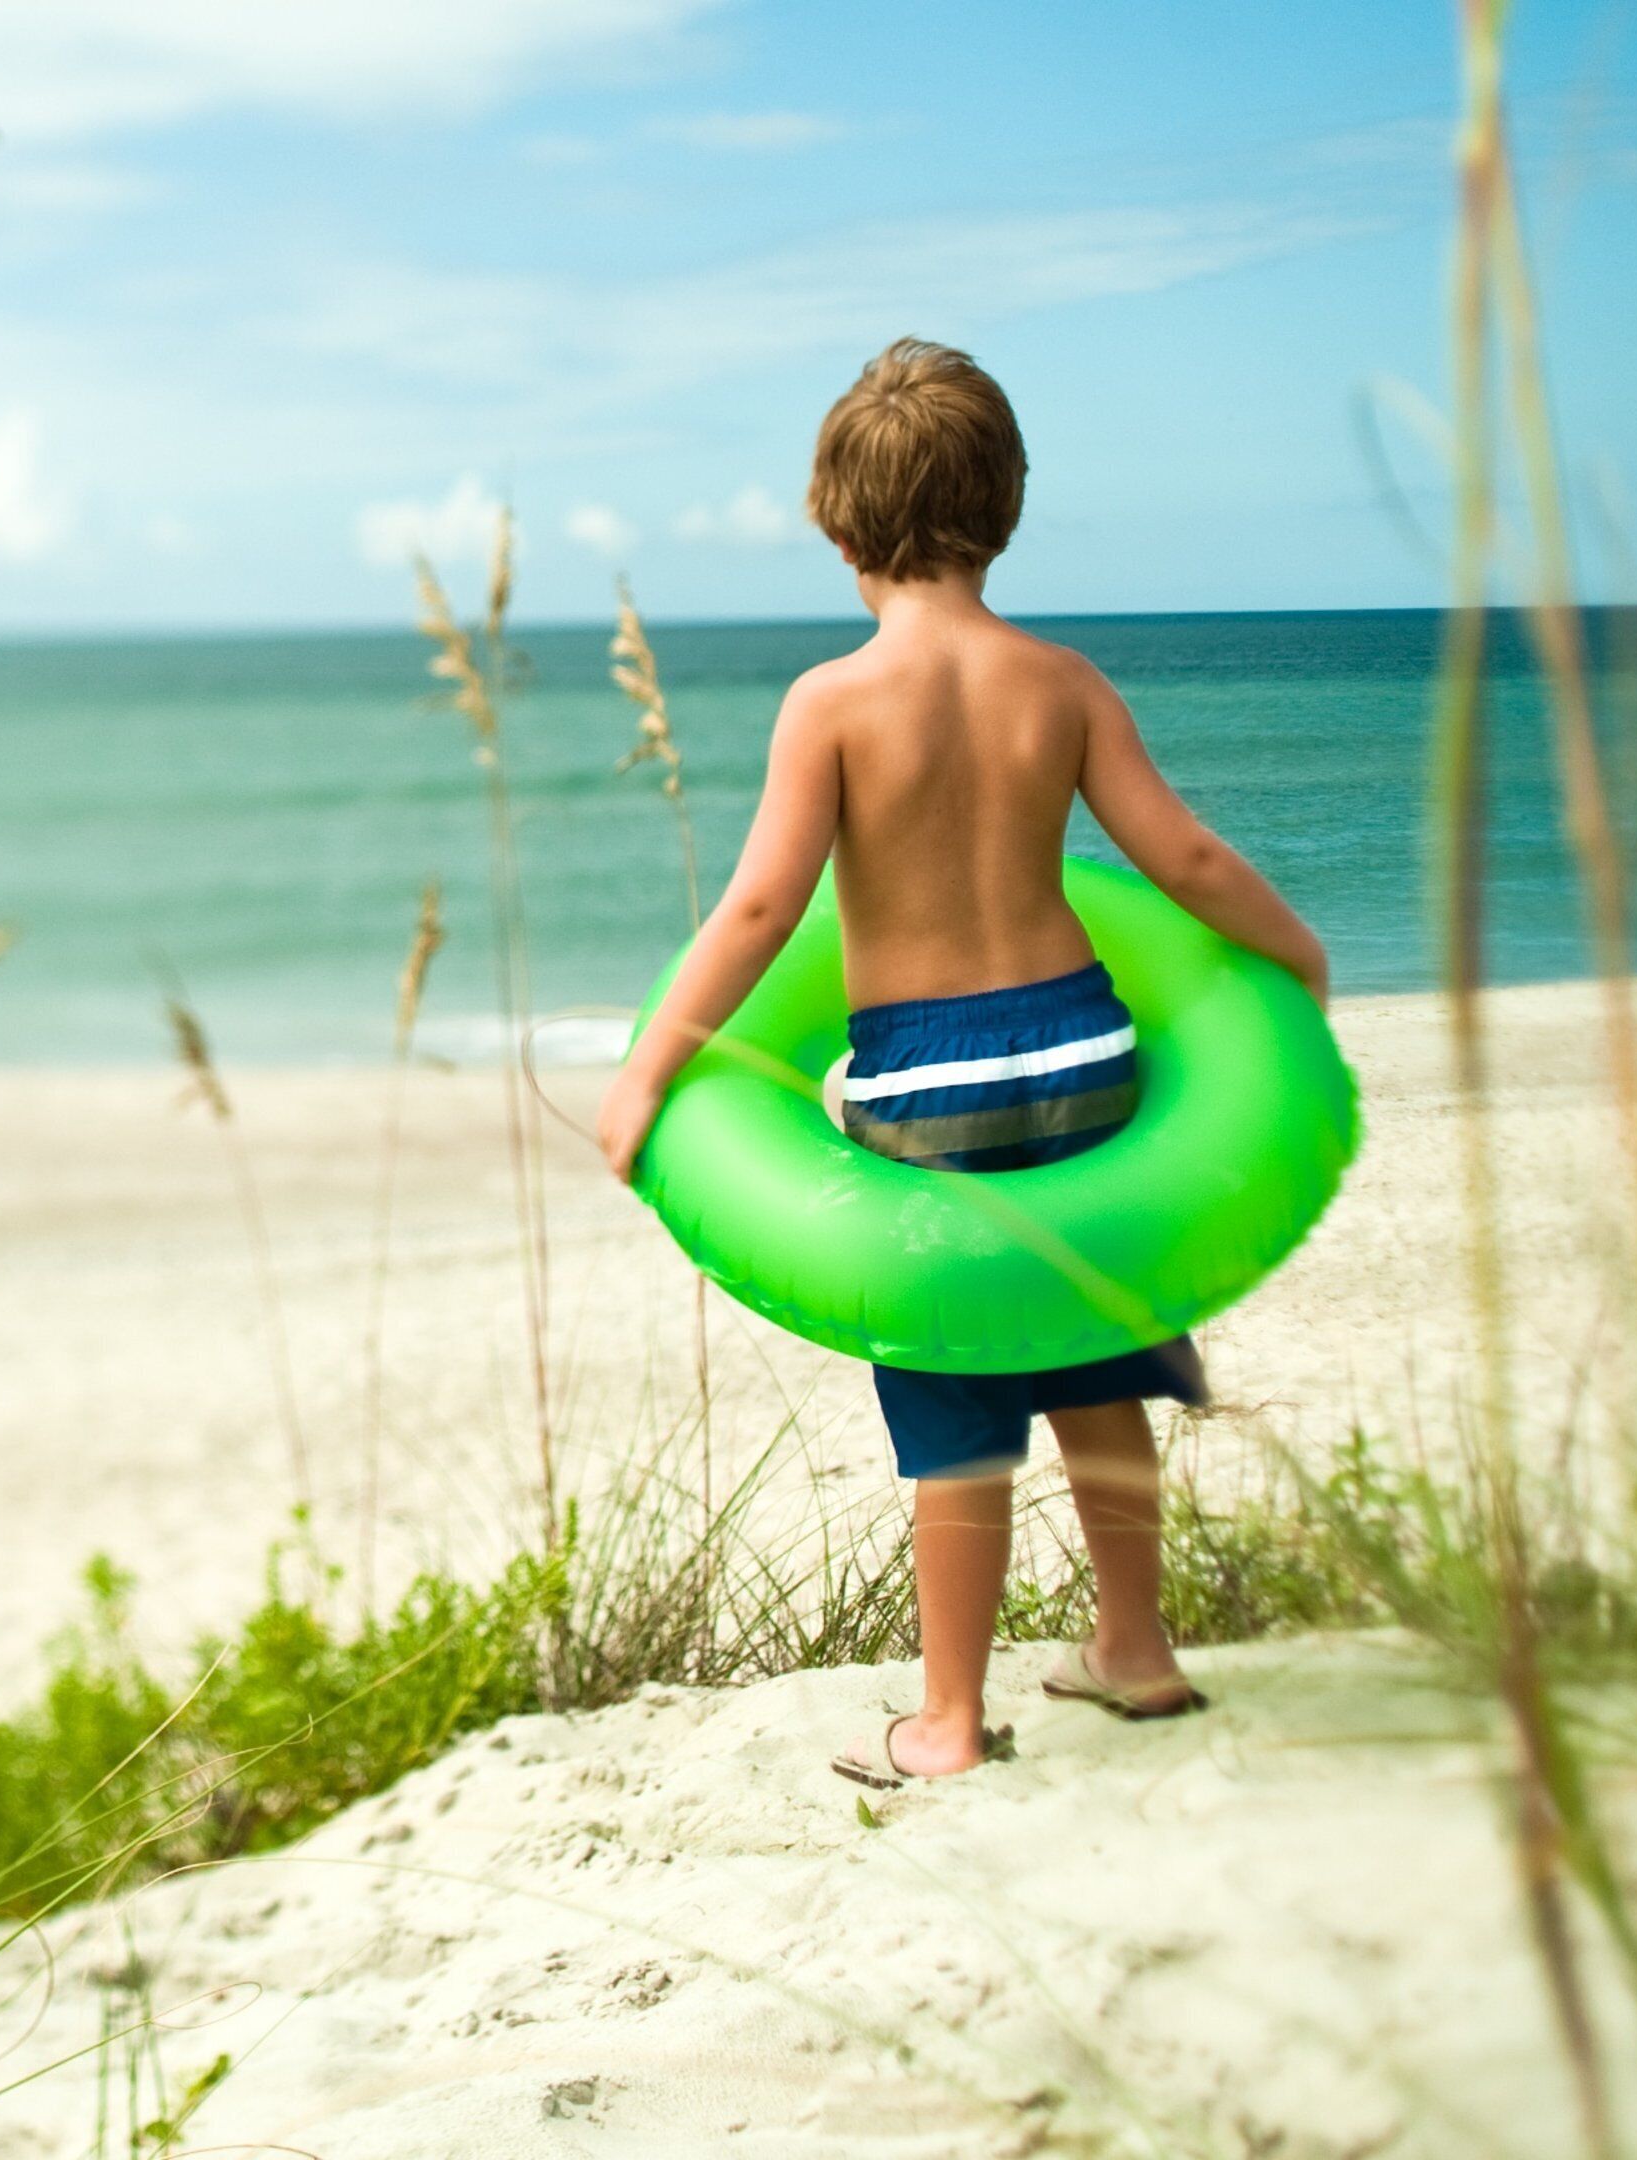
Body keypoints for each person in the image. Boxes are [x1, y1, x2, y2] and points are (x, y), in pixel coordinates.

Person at [591, 338, 1328, 1785]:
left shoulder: (832, 702)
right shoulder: (1058, 682)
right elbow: (1176, 853)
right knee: (1091, 1353)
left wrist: (650, 1074)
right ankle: (1135, 1649)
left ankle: (945, 1717)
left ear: (840, 531)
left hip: (931, 1088)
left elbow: (759, 907)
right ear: (1006, 508)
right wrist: (1293, 951)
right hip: (1089, 1043)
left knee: (957, 1391)